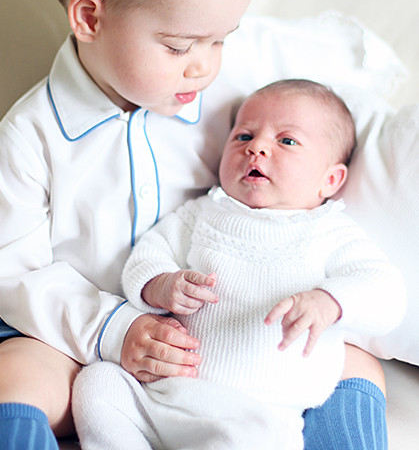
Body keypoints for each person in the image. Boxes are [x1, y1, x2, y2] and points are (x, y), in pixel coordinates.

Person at [0, 0, 393, 450]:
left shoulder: (227, 99)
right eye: (179, 46)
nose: (205, 65)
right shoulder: (33, 134)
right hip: (69, 334)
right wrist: (114, 328)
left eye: (221, 40)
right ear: (90, 17)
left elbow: (331, 73)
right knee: (2, 376)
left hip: (217, 337)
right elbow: (8, 270)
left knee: (354, 363)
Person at [72, 79, 405, 449]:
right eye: (244, 136)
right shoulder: (201, 213)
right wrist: (161, 284)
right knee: (98, 383)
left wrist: (330, 301)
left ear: (330, 179)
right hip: (161, 396)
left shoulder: (329, 232)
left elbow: (386, 291)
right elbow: (147, 255)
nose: (257, 148)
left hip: (259, 413)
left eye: (287, 141)